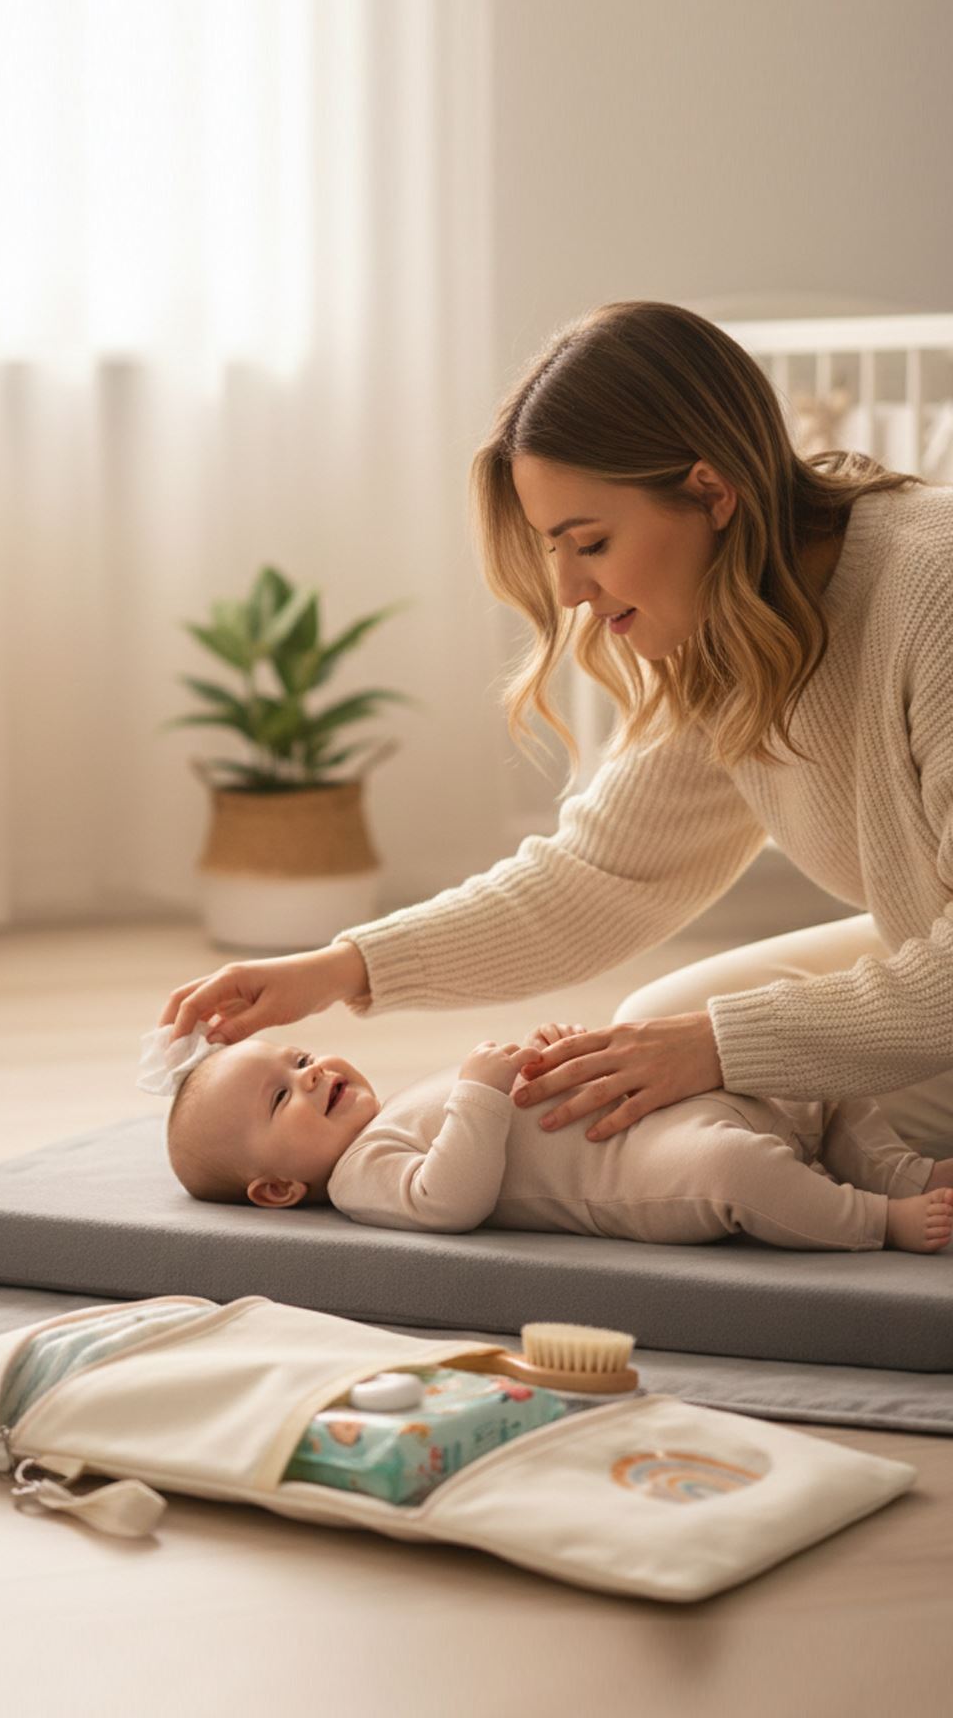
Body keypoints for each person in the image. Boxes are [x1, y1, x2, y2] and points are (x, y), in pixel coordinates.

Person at [160, 300, 953, 1167]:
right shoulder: (734, 630)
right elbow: (600, 878)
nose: (570, 590)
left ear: (712, 491)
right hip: (929, 951)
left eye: (593, 543)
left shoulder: (933, 589)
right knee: (650, 1041)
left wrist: (716, 1046)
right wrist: (336, 968)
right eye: (555, 549)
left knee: (701, 1072)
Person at [148, 1019, 953, 1252]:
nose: (312, 1073)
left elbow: (515, 1104)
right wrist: (480, 1091)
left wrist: (552, 1055)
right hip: (648, 1169)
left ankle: (902, 1173)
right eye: (281, 1096)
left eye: (299, 1058)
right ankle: (877, 1219)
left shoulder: (394, 1111)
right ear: (278, 1189)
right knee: (735, 1168)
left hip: (647, 1108)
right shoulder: (362, 1177)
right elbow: (449, 1200)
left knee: (803, 1076)